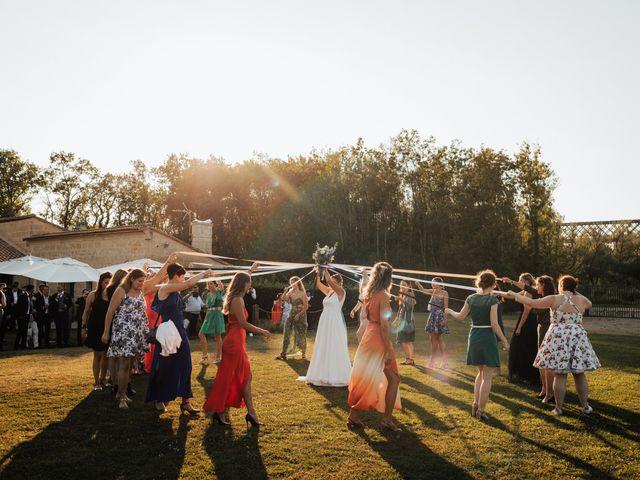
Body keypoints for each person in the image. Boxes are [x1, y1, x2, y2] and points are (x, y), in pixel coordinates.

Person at [508, 275, 600, 415]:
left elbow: (534, 303)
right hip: (576, 335)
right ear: (575, 287)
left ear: (561, 285)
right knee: (579, 374)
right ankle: (585, 406)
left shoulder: (555, 298)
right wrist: (574, 291)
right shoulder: (581, 300)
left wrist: (515, 295)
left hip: (558, 337)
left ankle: (558, 408)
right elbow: (590, 303)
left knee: (560, 374)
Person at [203, 263, 271, 426]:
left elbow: (243, 275)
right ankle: (220, 413)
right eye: (249, 282)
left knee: (246, 377)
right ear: (244, 284)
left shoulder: (235, 298)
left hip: (237, 341)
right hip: (234, 343)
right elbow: (243, 323)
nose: (251, 285)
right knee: (228, 378)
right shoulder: (238, 300)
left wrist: (252, 269)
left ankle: (251, 414)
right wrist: (262, 331)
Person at [146, 264, 212, 414]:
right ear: (176, 275)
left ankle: (185, 401)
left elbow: (186, 283)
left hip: (180, 332)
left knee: (186, 365)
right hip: (168, 333)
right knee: (165, 367)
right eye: (182, 276)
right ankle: (159, 398)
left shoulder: (175, 290)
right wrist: (204, 273)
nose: (183, 279)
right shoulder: (165, 288)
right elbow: (188, 284)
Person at [445, 270, 510, 420]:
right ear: (493, 284)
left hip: (474, 336)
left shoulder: (471, 298)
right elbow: (494, 323)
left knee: (481, 373)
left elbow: (460, 316)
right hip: (487, 337)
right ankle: (480, 410)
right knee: (487, 376)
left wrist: (449, 311)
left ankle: (475, 405)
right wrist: (505, 341)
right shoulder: (493, 300)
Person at [347, 262, 402, 431]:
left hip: (369, 336)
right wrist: (387, 349)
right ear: (388, 277)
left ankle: (354, 415)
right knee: (394, 379)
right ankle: (386, 420)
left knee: (365, 376)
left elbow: (367, 316)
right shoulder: (383, 296)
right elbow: (384, 325)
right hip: (378, 338)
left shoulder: (368, 293)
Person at [299, 268, 351, 387]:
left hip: (334, 321)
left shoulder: (340, 291)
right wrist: (318, 272)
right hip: (325, 321)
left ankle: (336, 374)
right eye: (330, 281)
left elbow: (328, 280)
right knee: (324, 344)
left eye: (333, 281)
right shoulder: (330, 291)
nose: (329, 283)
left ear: (338, 282)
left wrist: (324, 267)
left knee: (334, 344)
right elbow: (318, 284)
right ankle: (322, 372)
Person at [502, 273, 539, 383]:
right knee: (523, 346)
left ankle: (525, 374)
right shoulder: (528, 290)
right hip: (530, 321)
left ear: (525, 282)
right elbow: (512, 296)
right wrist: (497, 292)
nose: (519, 282)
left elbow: (527, 311)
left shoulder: (529, 292)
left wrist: (519, 327)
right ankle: (523, 374)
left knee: (520, 346)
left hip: (528, 322)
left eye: (520, 280)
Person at [82, 272, 113, 391]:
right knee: (97, 355)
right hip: (94, 327)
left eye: (110, 283)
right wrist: (83, 327)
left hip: (107, 327)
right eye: (106, 282)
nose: (107, 285)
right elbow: (85, 312)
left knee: (105, 355)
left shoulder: (111, 296)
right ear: (100, 282)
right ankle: (96, 382)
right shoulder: (93, 295)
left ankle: (103, 379)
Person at [415, 277, 449, 368]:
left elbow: (446, 308)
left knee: (436, 339)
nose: (432, 284)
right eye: (432, 283)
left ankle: (434, 361)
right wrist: (418, 284)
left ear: (439, 284)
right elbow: (423, 290)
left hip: (439, 317)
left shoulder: (445, 293)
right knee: (435, 339)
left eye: (433, 283)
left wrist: (445, 319)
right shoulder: (433, 291)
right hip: (433, 317)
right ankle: (443, 362)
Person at [105, 269, 128, 392]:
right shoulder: (114, 288)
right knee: (115, 356)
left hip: (119, 320)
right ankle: (116, 382)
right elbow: (114, 306)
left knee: (118, 357)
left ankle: (118, 382)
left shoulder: (114, 288)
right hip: (117, 320)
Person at [276, 276, 309, 360]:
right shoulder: (290, 292)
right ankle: (283, 354)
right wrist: (285, 291)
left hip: (301, 315)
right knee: (287, 333)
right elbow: (283, 299)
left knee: (301, 334)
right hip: (291, 314)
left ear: (298, 283)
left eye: (293, 282)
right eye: (291, 283)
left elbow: (306, 307)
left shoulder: (302, 293)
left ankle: (303, 353)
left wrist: (298, 315)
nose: (292, 284)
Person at [199, 279, 225, 365]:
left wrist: (216, 278)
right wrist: (205, 319)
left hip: (217, 315)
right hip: (209, 315)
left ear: (215, 285)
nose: (209, 285)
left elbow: (221, 286)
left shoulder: (218, 292)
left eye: (211, 284)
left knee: (217, 336)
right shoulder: (208, 294)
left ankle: (219, 356)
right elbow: (208, 308)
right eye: (208, 284)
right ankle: (205, 354)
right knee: (201, 333)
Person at [393, 280, 417, 366]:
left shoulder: (410, 295)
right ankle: (409, 359)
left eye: (404, 285)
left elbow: (409, 307)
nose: (402, 287)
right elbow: (400, 310)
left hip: (407, 321)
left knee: (405, 341)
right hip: (402, 320)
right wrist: (396, 320)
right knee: (407, 341)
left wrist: (400, 299)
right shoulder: (403, 295)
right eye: (401, 285)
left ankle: (409, 359)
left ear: (408, 286)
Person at [0, 283, 21, 350]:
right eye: (15, 288)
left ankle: (17, 344)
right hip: (7, 313)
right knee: (3, 328)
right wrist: (7, 314)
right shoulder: (6, 294)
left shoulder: (19, 293)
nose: (16, 289)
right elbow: (5, 305)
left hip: (16, 313)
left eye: (17, 288)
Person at [14, 285, 35, 349]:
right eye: (32, 290)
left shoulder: (30, 297)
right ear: (30, 290)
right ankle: (16, 346)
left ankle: (23, 346)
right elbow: (18, 307)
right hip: (22, 317)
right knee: (20, 332)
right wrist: (19, 316)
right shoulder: (22, 296)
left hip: (27, 316)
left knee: (25, 332)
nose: (33, 291)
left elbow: (30, 306)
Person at [34, 285, 50, 349]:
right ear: (43, 291)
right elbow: (36, 307)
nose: (47, 291)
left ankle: (47, 344)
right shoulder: (39, 298)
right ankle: (40, 345)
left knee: (47, 331)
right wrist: (43, 307)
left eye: (48, 290)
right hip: (41, 316)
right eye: (45, 290)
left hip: (48, 316)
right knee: (40, 331)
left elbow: (53, 307)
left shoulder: (50, 298)